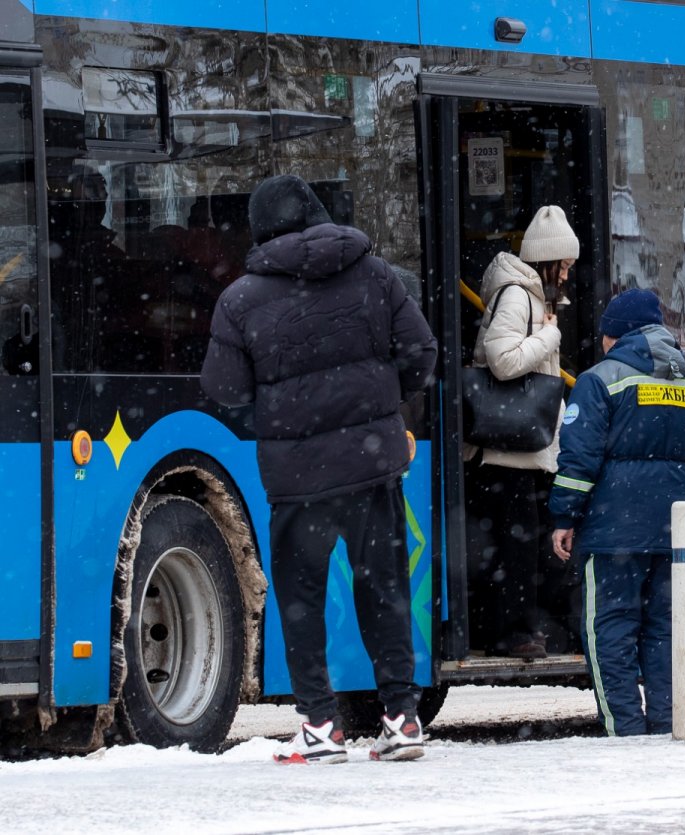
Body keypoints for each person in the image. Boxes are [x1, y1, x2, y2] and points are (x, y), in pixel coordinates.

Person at [200, 174, 438, 764]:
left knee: (300, 598)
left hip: (297, 477)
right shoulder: (376, 274)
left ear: (259, 229)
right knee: (384, 588)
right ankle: (402, 717)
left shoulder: (240, 299)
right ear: (317, 212)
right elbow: (422, 353)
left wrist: (277, 403)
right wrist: (381, 408)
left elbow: (224, 389)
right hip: (373, 466)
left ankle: (320, 724)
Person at [549, 289, 685, 736]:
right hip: (674, 532)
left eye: (606, 334)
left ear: (619, 335)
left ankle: (624, 728)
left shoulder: (598, 380)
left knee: (610, 628)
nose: (603, 343)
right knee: (664, 629)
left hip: (613, 534)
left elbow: (578, 459)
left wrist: (564, 517)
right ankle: (666, 722)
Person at [464, 205, 577, 659]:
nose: (568, 275)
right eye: (565, 265)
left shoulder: (533, 298)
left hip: (519, 449)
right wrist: (550, 338)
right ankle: (515, 633)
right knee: (519, 546)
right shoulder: (518, 296)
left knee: (519, 544)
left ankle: (516, 628)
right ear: (548, 261)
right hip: (507, 451)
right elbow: (503, 361)